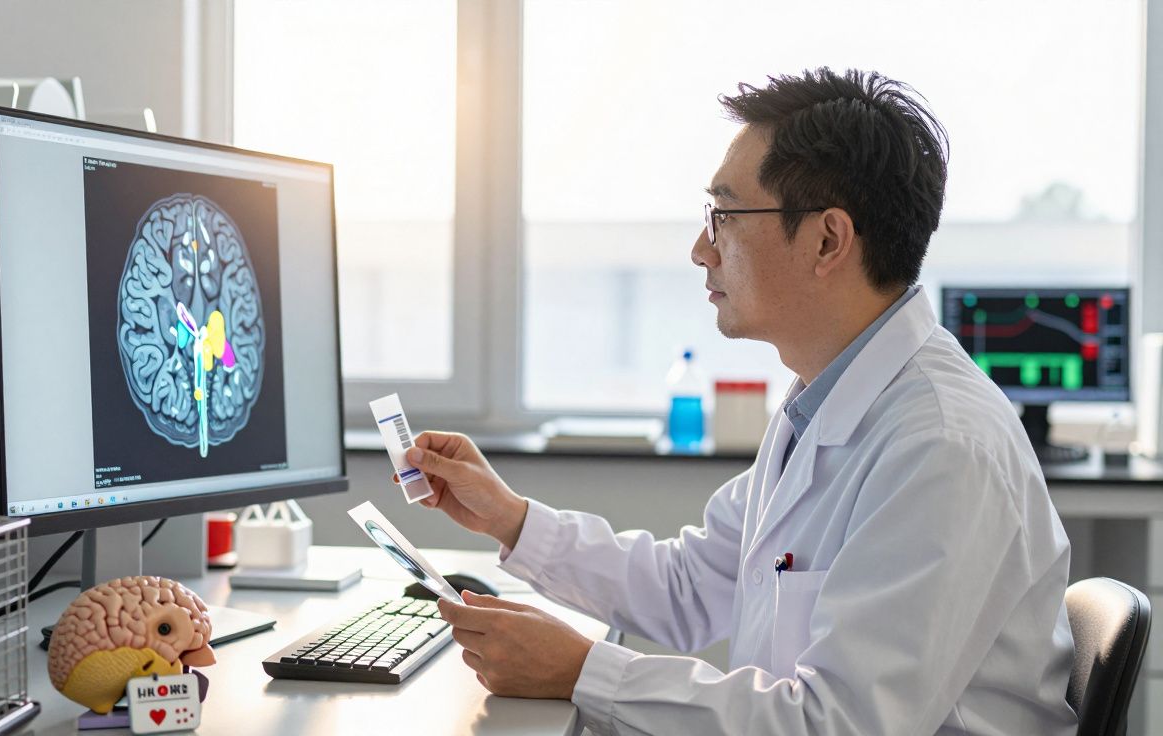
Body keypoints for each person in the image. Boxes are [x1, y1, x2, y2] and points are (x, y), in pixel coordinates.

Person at [400, 68, 1079, 735]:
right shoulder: (821, 400)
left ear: (827, 240)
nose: (701, 249)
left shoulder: (940, 446)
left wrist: (585, 672)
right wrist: (510, 519)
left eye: (724, 215)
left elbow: (840, 724)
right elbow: (690, 587)